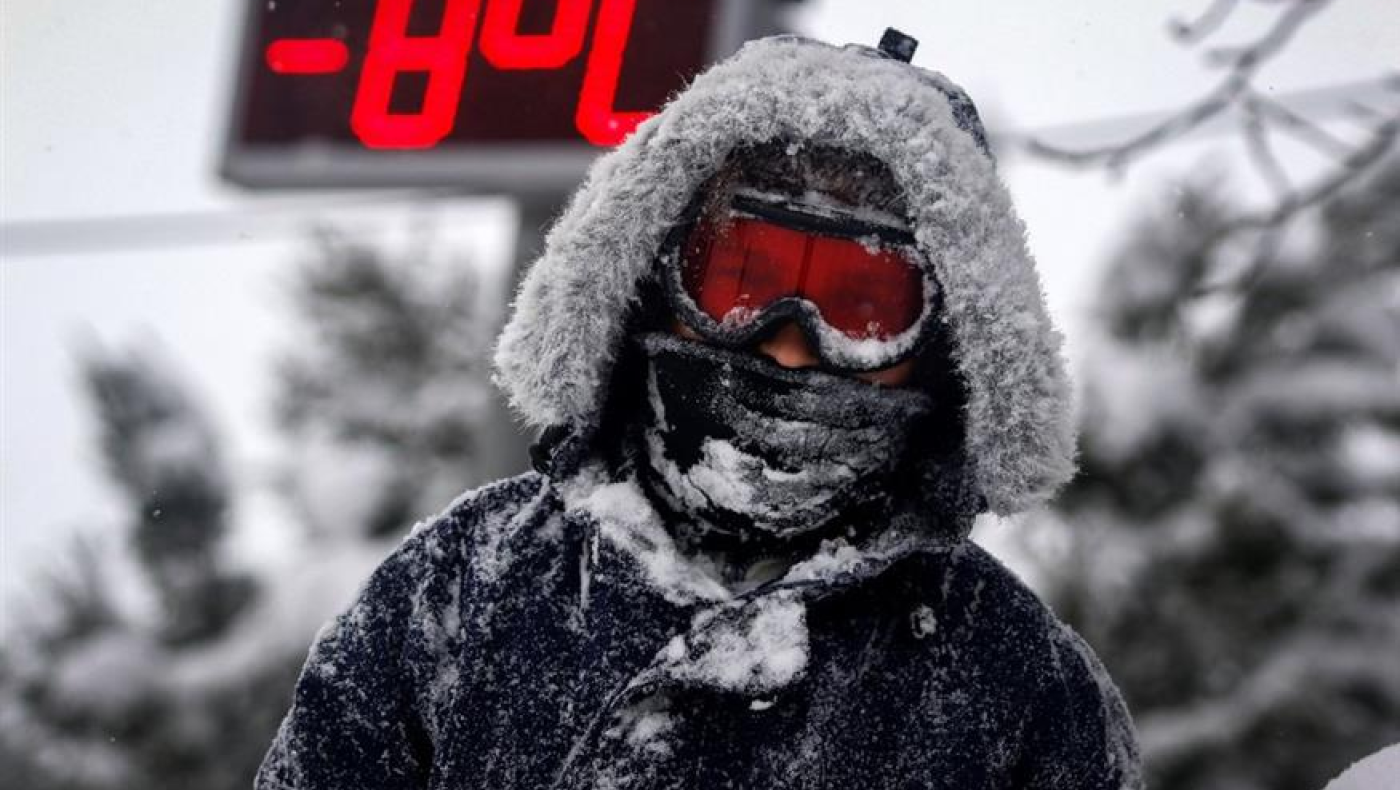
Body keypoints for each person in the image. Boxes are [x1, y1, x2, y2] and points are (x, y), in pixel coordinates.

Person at [257, 30, 1143, 790]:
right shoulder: (457, 594)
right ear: (648, 280)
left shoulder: (1018, 689)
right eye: (742, 279)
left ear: (947, 353)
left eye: (862, 305)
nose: (787, 343)